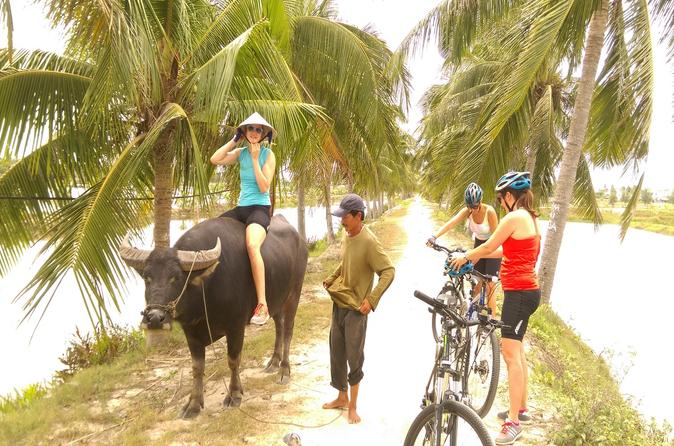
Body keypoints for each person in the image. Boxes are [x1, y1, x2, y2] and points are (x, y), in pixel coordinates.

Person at [449, 172, 540, 445]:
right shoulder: (529, 218)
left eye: (502, 199)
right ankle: (520, 409)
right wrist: (472, 257)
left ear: (510, 197)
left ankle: (512, 423)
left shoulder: (514, 217)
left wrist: (466, 256)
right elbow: (501, 251)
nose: (501, 204)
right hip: (527, 292)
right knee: (518, 351)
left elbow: (489, 244)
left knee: (510, 354)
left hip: (519, 294)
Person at [321, 193, 395, 424]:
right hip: (339, 303)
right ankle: (341, 397)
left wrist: (371, 300)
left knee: (354, 356)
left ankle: (353, 406)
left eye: (345, 216)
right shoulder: (347, 234)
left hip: (356, 310)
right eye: (340, 216)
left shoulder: (369, 242)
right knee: (336, 351)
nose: (341, 220)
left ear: (358, 216)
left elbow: (388, 271)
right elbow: (346, 262)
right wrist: (333, 277)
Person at [210, 112, 276, 325]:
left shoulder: (268, 155)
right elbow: (215, 159)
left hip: (259, 208)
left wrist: (256, 160)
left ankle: (262, 304)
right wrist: (234, 139)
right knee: (213, 232)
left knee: (251, 245)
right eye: (250, 129)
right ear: (245, 132)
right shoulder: (240, 153)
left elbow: (264, 186)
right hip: (241, 208)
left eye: (258, 129)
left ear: (263, 133)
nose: (254, 132)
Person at [427, 182, 501, 317]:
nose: (473, 210)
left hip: (492, 246)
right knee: (478, 281)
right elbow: (451, 224)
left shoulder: (489, 212)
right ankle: (473, 313)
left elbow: (497, 237)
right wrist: (434, 236)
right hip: (479, 244)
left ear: (481, 201)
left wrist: (480, 254)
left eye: (476, 206)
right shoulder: (467, 211)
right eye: (470, 207)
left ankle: (491, 322)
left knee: (490, 285)